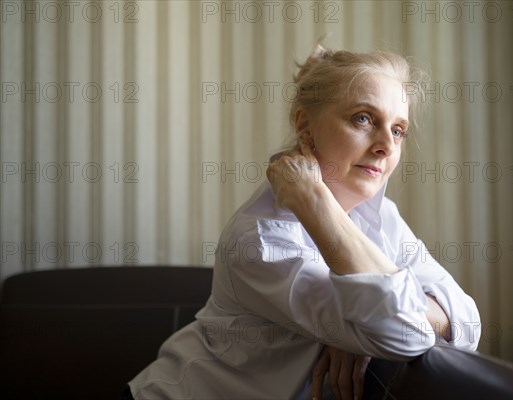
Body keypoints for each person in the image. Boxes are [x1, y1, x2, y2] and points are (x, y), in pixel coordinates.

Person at [126, 45, 481, 400]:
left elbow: (467, 324)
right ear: (304, 126)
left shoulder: (383, 217)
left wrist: (357, 329)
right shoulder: (261, 239)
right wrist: (313, 203)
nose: (386, 145)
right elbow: (406, 335)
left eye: (399, 130)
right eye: (363, 118)